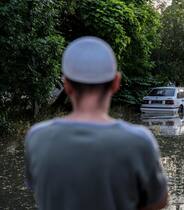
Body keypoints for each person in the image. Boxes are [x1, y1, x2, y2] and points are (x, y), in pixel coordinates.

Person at [24, 37, 168, 210]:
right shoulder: (139, 141)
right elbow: (158, 202)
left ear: (67, 85)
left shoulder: (37, 137)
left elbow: (36, 188)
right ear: (116, 83)